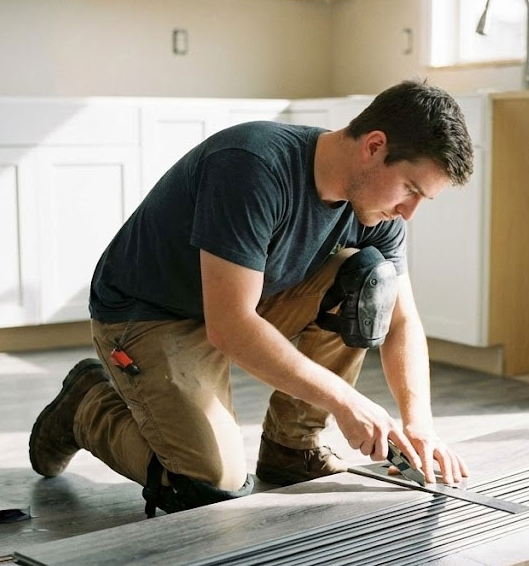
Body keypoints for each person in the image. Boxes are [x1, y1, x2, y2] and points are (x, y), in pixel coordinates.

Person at [28, 79, 475, 516]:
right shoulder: (252, 165)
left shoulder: (378, 211)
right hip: (149, 315)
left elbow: (402, 321)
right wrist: (345, 401)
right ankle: (85, 406)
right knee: (206, 486)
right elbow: (231, 326)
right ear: (375, 146)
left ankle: (291, 446)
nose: (409, 213)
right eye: (411, 189)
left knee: (370, 278)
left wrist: (419, 422)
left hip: (243, 302)